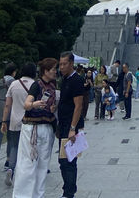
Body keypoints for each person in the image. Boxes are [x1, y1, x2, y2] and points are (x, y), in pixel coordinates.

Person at [12, 57, 58, 198]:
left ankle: (38, 194)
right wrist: (34, 104)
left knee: (43, 165)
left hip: (47, 126)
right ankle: (23, 195)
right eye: (53, 69)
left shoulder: (53, 86)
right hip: (33, 128)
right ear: (45, 71)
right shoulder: (36, 85)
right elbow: (26, 104)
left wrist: (52, 108)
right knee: (28, 164)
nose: (55, 72)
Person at [2, 61, 36, 187]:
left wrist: (4, 121)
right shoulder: (35, 85)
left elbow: (7, 105)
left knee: (14, 147)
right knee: (29, 148)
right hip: (30, 121)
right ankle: (26, 172)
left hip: (15, 121)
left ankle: (11, 168)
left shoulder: (14, 84)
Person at [56, 51, 85, 198]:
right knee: (63, 160)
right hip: (64, 125)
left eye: (64, 64)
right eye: (60, 64)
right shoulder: (65, 79)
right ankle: (68, 190)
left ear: (71, 64)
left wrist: (72, 129)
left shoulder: (76, 80)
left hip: (71, 127)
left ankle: (69, 192)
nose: (61, 67)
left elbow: (78, 106)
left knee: (68, 160)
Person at [0, 62, 16, 174]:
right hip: (8, 111)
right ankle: (8, 161)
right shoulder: (13, 82)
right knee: (10, 138)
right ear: (13, 72)